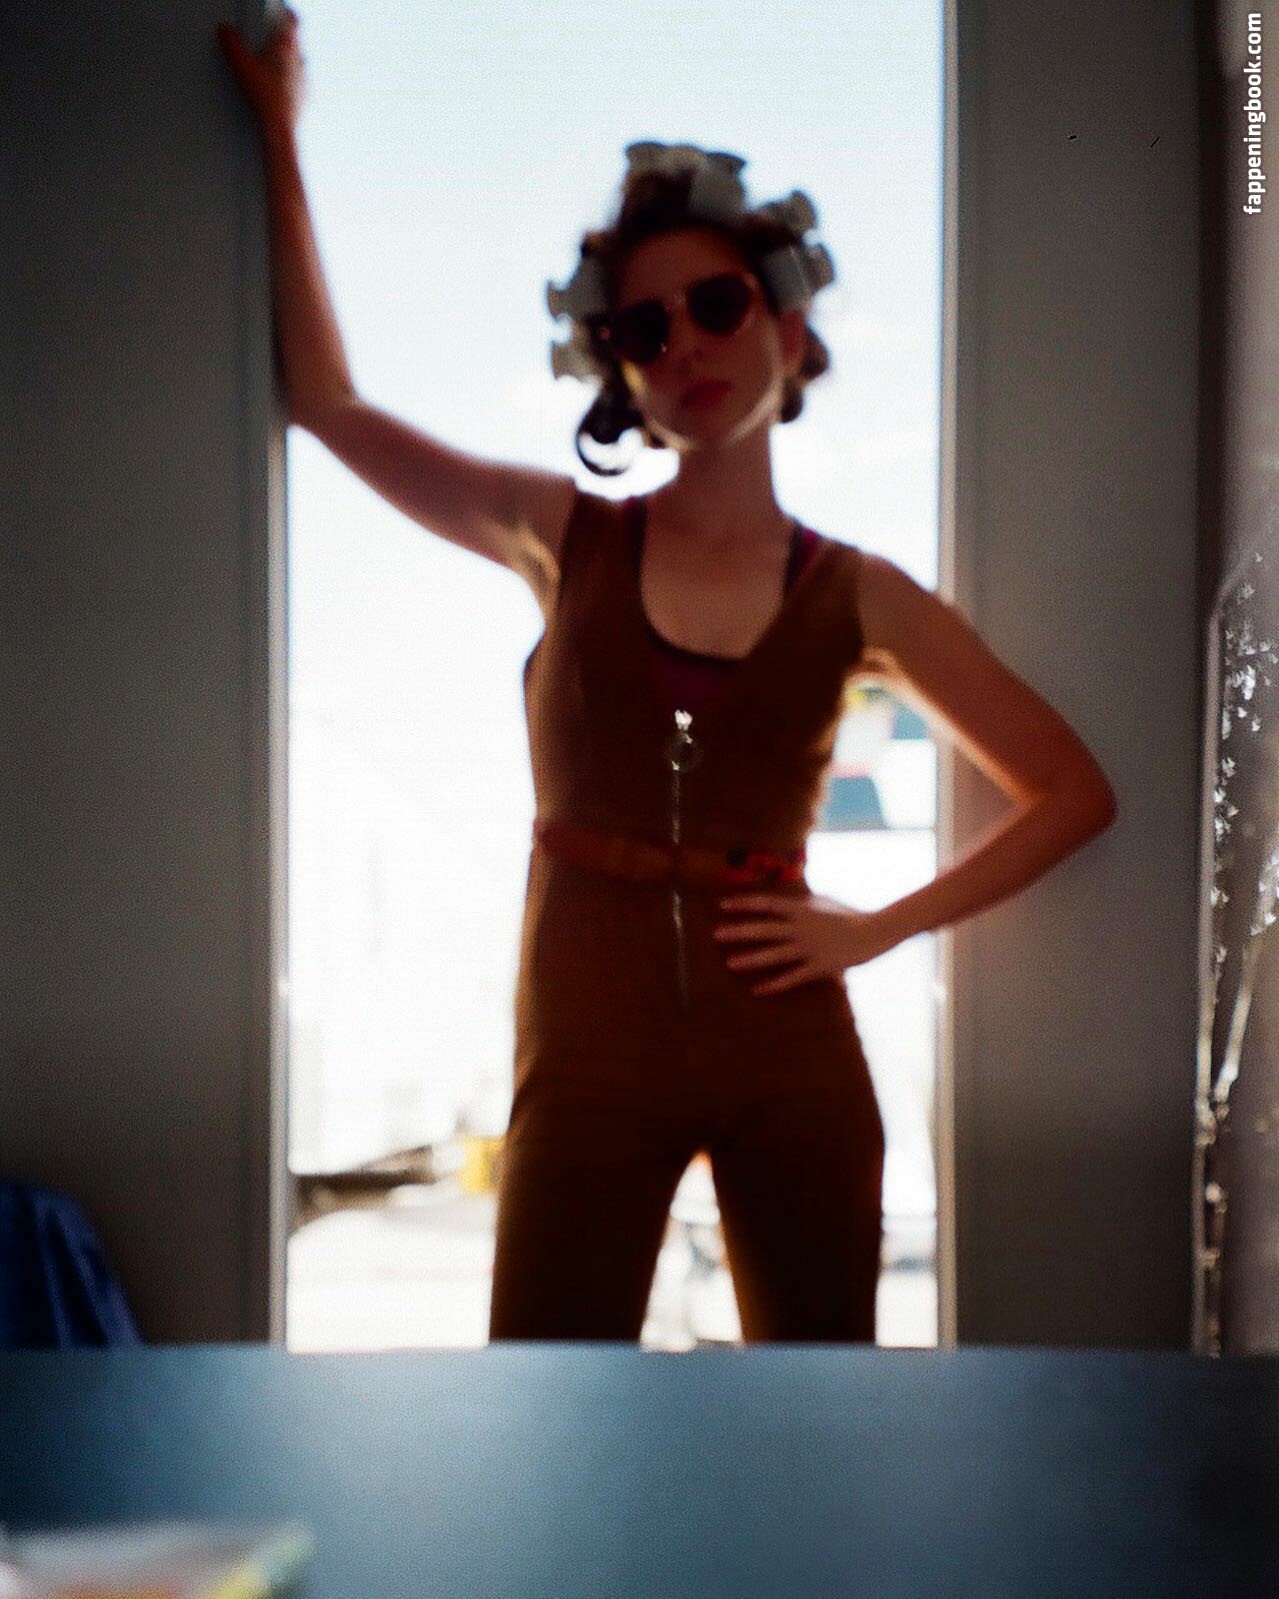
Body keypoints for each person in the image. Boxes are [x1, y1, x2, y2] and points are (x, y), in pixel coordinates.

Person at [216, 10, 1119, 1345]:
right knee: (546, 1390)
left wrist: (874, 929)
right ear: (621, 372)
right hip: (587, 1045)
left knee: (818, 1411)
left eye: (718, 304)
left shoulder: (861, 592)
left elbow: (1072, 792)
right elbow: (329, 406)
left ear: (788, 329)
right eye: (647, 327)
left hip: (789, 1046)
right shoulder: (562, 534)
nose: (687, 342)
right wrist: (281, 139)